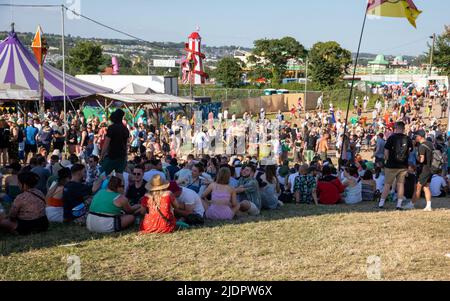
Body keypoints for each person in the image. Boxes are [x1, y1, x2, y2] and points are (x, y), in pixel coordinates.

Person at [378, 122, 413, 210]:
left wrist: (386, 159)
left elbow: (386, 151)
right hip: (403, 165)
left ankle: (381, 204)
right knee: (400, 184)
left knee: (387, 184)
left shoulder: (391, 137)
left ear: (396, 128)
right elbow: (410, 151)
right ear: (404, 128)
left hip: (391, 165)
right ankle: (399, 205)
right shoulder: (408, 138)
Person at [100, 109, 130, 175]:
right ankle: (120, 186)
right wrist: (126, 157)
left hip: (112, 156)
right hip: (122, 157)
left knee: (102, 175)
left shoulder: (111, 128)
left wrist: (101, 155)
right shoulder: (125, 129)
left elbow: (106, 143)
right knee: (119, 176)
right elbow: (126, 144)